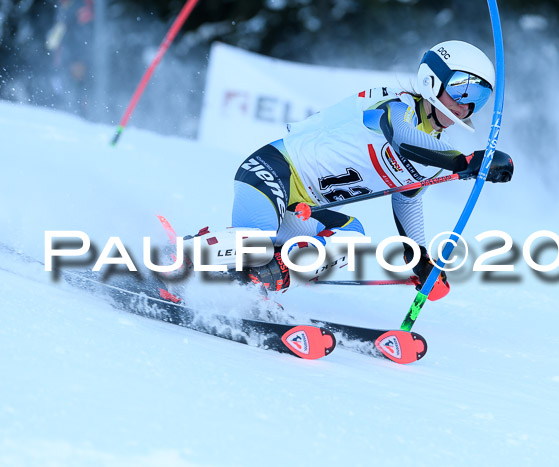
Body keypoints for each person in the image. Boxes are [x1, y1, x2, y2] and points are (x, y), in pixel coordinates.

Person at [191, 40, 514, 298]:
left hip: (302, 208)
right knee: (255, 243)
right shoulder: (396, 105)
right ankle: (176, 259)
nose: (465, 104)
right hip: (274, 171)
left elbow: (408, 199)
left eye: (478, 97)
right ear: (433, 79)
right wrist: (465, 162)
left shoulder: (434, 151)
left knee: (349, 239)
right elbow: (402, 138)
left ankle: (249, 287)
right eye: (461, 89)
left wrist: (419, 259)